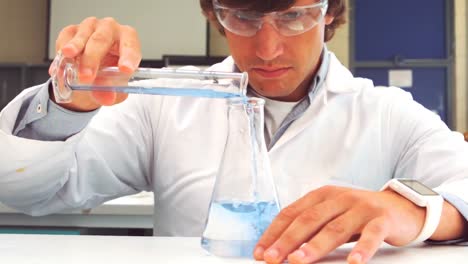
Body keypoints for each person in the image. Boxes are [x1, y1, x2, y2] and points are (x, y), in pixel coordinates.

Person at [0, 0, 467, 263]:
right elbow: (29, 193)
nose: (266, 48)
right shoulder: (166, 105)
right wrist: (69, 101)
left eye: (292, 16)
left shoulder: (385, 112)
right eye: (242, 18)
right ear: (215, 14)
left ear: (329, 12)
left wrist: (414, 209)